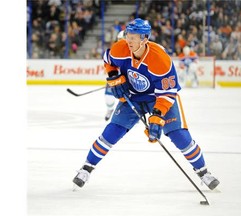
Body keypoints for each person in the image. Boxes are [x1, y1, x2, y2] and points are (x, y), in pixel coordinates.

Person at [73, 18, 220, 190]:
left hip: (159, 98)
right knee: (111, 132)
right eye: (128, 35)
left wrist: (157, 116)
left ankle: (203, 172)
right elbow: (108, 61)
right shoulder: (120, 48)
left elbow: (167, 93)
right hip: (133, 97)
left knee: (178, 135)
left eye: (133, 37)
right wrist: (114, 77)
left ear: (144, 39)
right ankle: (86, 168)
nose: (128, 40)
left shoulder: (160, 59)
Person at [104, 30, 125, 121]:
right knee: (108, 95)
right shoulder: (114, 50)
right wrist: (113, 76)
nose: (119, 42)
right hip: (117, 78)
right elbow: (109, 64)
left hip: (129, 80)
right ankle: (110, 109)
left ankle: (132, 115)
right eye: (118, 39)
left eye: (121, 39)